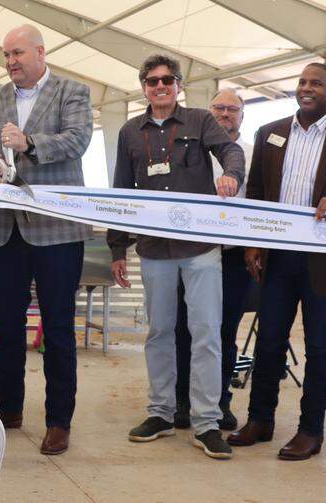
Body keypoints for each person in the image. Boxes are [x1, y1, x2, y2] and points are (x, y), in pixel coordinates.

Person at [228, 63, 326, 461]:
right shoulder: (269, 134)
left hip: (322, 263)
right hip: (276, 259)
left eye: (317, 84)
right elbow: (257, 192)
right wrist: (253, 244)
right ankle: (260, 420)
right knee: (270, 340)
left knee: (319, 345)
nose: (307, 89)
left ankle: (311, 429)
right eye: (302, 82)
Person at [107, 56, 244, 460]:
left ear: (179, 85)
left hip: (200, 247)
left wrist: (231, 174)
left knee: (206, 333)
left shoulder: (201, 121)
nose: (160, 86)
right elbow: (120, 192)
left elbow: (231, 150)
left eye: (167, 80)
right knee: (159, 333)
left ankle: (206, 422)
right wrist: (118, 247)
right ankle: (162, 413)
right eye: (152, 81)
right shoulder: (131, 132)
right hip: (153, 250)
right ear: (144, 87)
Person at [0, 24, 93, 456]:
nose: (10, 62)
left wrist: (29, 142)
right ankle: (9, 408)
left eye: (17, 53)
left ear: (41, 52)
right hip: (5, 229)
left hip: (56, 229)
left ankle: (59, 420)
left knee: (58, 326)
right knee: (6, 325)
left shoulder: (72, 91)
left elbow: (77, 141)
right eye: (6, 55)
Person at [173, 89, 256, 431]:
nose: (225, 114)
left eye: (232, 109)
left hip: (234, 257)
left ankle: (220, 401)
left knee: (225, 331)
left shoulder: (253, 155)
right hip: (189, 253)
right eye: (218, 108)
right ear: (208, 113)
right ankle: (181, 402)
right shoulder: (191, 150)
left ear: (242, 115)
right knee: (184, 329)